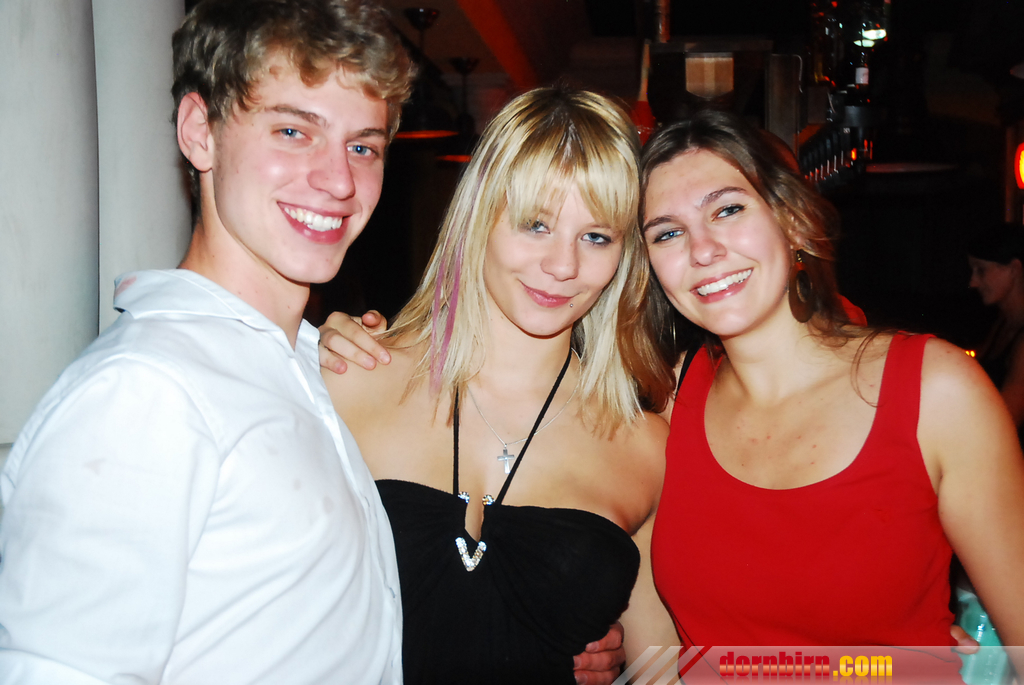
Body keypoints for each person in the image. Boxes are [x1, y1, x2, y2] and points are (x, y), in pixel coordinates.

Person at [0, 1, 415, 682]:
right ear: (200, 133)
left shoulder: (307, 366)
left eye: (363, 146)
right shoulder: (145, 393)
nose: (340, 181)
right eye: (293, 131)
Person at [640, 109, 1024, 672]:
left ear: (792, 221)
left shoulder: (935, 392)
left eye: (728, 209)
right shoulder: (668, 400)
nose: (702, 250)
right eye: (668, 233)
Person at [320, 86, 678, 684]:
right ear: (479, 216)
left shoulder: (646, 446)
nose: (562, 266)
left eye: (596, 237)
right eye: (536, 225)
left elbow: (663, 670)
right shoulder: (348, 380)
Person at [967, 222, 1024, 435]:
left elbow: (1006, 422)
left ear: (1014, 269)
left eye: (981, 270)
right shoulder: (1003, 321)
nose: (973, 282)